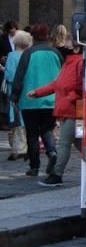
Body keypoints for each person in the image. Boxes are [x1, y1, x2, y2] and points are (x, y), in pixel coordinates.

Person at [28, 42, 84, 187]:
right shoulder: (69, 63)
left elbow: (80, 87)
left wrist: (70, 98)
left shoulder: (77, 63)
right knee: (78, 142)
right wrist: (38, 92)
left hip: (72, 110)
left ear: (76, 48)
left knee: (64, 143)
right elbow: (57, 84)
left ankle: (57, 174)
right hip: (70, 109)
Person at [10, 23, 62, 177]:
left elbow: (19, 77)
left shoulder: (28, 53)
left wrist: (14, 96)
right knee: (47, 130)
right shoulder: (55, 53)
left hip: (29, 99)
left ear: (33, 37)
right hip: (52, 99)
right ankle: (52, 152)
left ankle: (34, 167)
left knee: (32, 134)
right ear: (47, 37)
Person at [1, 29, 32, 160]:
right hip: (27, 90)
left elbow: (9, 74)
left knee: (15, 118)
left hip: (13, 89)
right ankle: (27, 146)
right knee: (25, 118)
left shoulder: (12, 55)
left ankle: (18, 148)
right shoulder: (29, 55)